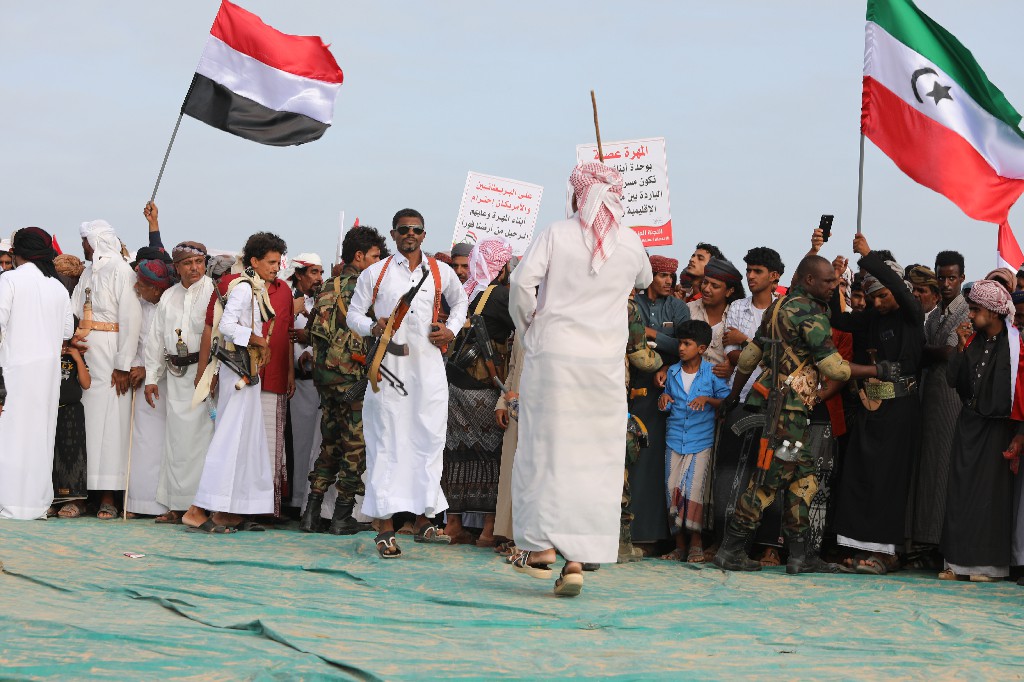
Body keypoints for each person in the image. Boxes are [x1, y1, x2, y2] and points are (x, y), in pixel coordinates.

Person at [507, 162, 652, 596]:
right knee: (594, 459)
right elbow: (644, 278)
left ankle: (543, 550)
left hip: (554, 358)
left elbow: (520, 283)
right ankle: (575, 559)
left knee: (545, 449)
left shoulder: (556, 233)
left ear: (577, 196)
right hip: (603, 365)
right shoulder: (630, 243)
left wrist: (531, 328)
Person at [714, 255, 883, 574]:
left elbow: (749, 357)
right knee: (768, 480)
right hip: (790, 417)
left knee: (803, 480)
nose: (834, 287)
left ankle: (800, 555)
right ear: (809, 281)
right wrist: (878, 369)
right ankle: (731, 550)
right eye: (828, 282)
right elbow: (834, 367)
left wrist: (734, 396)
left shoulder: (777, 308)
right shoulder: (812, 315)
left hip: (780, 409)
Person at [346, 209, 468, 558]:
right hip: (389, 368)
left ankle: (424, 519)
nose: (410, 234)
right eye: (403, 230)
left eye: (416, 229)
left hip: (429, 369)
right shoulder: (376, 272)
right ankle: (385, 528)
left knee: (428, 439)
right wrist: (372, 327)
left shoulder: (439, 271)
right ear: (394, 233)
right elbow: (353, 314)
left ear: (424, 234)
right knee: (385, 443)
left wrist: (452, 329)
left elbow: (461, 303)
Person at [830, 235, 924, 575]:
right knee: (860, 474)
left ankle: (887, 553)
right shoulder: (872, 319)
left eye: (883, 295)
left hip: (901, 411)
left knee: (889, 479)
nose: (880, 302)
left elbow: (900, 291)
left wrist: (868, 256)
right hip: (871, 408)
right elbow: (837, 320)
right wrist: (834, 280)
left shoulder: (911, 315)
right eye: (873, 297)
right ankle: (859, 549)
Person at [183, 233, 284, 533]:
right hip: (235, 370)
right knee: (229, 438)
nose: (276, 268)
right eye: (271, 262)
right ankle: (198, 509)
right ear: (254, 261)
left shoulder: (255, 288)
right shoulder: (242, 288)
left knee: (247, 440)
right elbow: (226, 326)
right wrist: (256, 339)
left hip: (247, 370)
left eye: (279, 262)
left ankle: (233, 511)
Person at [301, 226, 388, 534]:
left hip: (325, 377)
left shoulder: (328, 285)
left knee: (330, 444)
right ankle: (341, 516)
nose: (380, 263)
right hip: (353, 377)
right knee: (354, 446)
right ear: (359, 256)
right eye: (376, 257)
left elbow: (312, 328)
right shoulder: (367, 288)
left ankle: (311, 513)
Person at [939, 280, 1024, 582]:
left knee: (990, 494)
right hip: (969, 424)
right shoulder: (972, 341)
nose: (971, 315)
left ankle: (987, 566)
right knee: (960, 491)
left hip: (997, 428)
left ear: (994, 311)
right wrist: (961, 348)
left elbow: (1020, 392)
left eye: (976, 310)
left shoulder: (1014, 345)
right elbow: (954, 380)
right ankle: (957, 563)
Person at [441, 236, 515, 546]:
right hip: (486, 388)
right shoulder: (499, 296)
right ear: (500, 268)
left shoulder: (463, 293)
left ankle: (453, 525)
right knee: (490, 455)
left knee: (456, 453)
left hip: (455, 385)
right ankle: (487, 530)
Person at [0, 227, 75, 520]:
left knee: (12, 434)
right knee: (41, 434)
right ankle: (35, 503)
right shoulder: (57, 286)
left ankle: (10, 502)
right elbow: (67, 330)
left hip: (16, 369)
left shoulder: (10, 280)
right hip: (47, 373)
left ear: (17, 252)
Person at [715, 246, 784, 561]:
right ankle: (729, 544)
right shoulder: (737, 307)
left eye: (757, 271)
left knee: (771, 473)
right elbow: (732, 355)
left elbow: (783, 356)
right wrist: (752, 345)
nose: (751, 276)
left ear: (774, 277)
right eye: (749, 271)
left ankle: (768, 546)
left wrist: (747, 341)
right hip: (741, 399)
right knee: (732, 474)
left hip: (776, 402)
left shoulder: (785, 309)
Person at [72, 220, 142, 519]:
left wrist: (123, 365)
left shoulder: (122, 271)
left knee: (113, 426)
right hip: (88, 356)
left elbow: (131, 319)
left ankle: (109, 497)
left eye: (85, 241)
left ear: (97, 241)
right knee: (87, 425)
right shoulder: (88, 271)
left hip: (113, 355)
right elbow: (75, 311)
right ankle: (84, 493)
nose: (83, 247)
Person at [143, 243, 216, 523]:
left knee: (203, 443)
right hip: (175, 377)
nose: (195, 268)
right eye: (188, 263)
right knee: (176, 442)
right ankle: (176, 505)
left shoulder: (214, 292)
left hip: (206, 377)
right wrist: (151, 377)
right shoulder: (169, 297)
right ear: (177, 268)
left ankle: (201, 505)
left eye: (199, 261)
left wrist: (213, 374)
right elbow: (156, 339)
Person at [905, 252, 967, 560]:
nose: (945, 283)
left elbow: (950, 353)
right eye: (941, 277)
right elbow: (933, 352)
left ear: (961, 278)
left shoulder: (966, 310)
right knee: (927, 469)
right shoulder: (936, 313)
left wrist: (928, 351)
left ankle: (941, 544)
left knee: (943, 468)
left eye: (951, 277)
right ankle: (925, 542)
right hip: (928, 396)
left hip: (950, 399)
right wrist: (932, 352)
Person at [627, 254, 690, 552]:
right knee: (634, 462)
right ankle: (631, 532)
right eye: (662, 276)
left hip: (667, 396)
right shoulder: (633, 303)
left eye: (671, 277)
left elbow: (686, 346)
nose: (668, 282)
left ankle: (657, 537)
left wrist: (654, 339)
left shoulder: (678, 307)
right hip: (633, 392)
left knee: (659, 466)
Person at [659, 320, 730, 562]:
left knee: (694, 491)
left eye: (687, 344)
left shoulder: (712, 372)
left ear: (701, 349)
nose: (681, 348)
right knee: (672, 491)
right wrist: (664, 397)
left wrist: (707, 400)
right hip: (674, 438)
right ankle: (679, 546)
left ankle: (696, 544)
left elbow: (727, 401)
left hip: (701, 441)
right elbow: (666, 397)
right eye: (680, 342)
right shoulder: (672, 372)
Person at [124, 259, 173, 518]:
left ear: (155, 289)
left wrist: (148, 369)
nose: (136, 287)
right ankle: (136, 503)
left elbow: (172, 346)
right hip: (140, 382)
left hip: (165, 382)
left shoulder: (170, 305)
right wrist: (134, 365)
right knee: (142, 442)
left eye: (141, 284)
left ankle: (160, 505)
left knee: (162, 444)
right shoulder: (139, 306)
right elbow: (134, 341)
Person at [287, 252, 324, 514]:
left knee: (315, 445)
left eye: (321, 272)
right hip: (296, 384)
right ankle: (294, 501)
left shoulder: (324, 301)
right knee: (298, 444)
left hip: (319, 384)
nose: (319, 278)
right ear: (299, 274)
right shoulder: (286, 300)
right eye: (313, 272)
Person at [51, 329, 91, 517]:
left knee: (73, 456)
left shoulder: (75, 356)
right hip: (49, 412)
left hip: (72, 411)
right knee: (51, 456)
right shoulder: (46, 353)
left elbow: (86, 383)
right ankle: (52, 500)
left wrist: (77, 358)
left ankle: (75, 500)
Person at [687, 257, 744, 373]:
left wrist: (732, 369)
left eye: (715, 286)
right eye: (705, 282)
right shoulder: (688, 310)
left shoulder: (738, 317)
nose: (707, 289)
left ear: (729, 291)